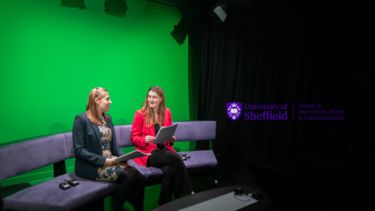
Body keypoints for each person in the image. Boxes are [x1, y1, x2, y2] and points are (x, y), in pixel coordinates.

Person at [73, 87, 144, 211]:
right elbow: (79, 150)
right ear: (96, 100)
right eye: (107, 99)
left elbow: (115, 146)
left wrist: (124, 158)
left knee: (138, 176)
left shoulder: (107, 118)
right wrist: (103, 161)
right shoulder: (81, 120)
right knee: (127, 176)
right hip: (93, 166)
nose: (110, 102)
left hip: (111, 161)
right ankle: (116, 208)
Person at [131, 86, 193, 205]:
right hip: (148, 154)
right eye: (149, 97)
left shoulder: (167, 112)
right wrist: (144, 139)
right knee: (175, 158)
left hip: (164, 150)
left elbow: (168, 136)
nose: (151, 100)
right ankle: (188, 192)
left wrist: (170, 139)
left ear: (160, 99)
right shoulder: (140, 114)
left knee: (169, 170)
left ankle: (164, 204)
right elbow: (134, 137)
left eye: (154, 97)